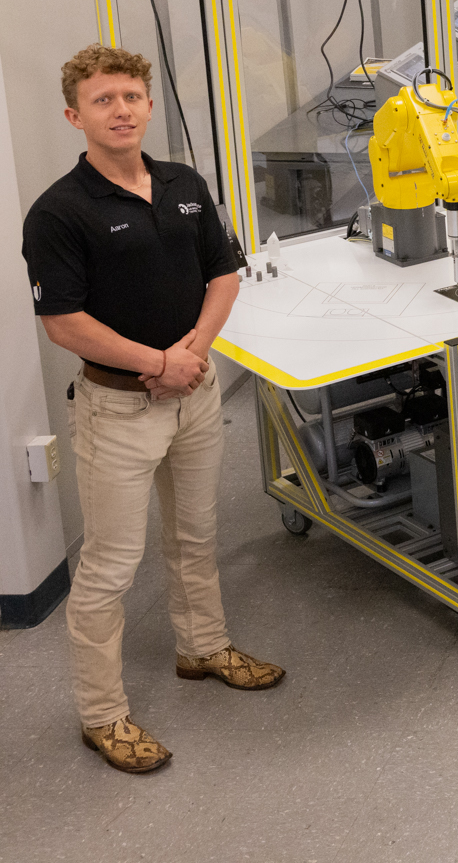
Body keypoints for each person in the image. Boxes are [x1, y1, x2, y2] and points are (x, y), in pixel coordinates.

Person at [24, 45, 283, 774]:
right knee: (109, 567)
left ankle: (202, 647)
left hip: (193, 395)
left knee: (197, 535)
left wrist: (191, 354)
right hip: (119, 409)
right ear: (76, 115)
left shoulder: (183, 184)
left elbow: (223, 272)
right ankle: (102, 714)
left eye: (132, 97)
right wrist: (157, 364)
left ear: (147, 105)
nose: (122, 110)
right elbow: (64, 322)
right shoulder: (59, 212)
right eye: (104, 100)